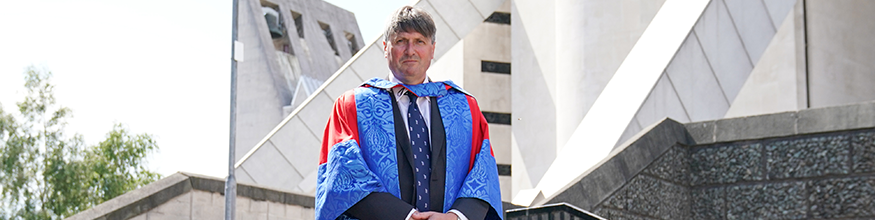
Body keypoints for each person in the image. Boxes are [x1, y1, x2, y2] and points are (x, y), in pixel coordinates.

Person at [315, 5, 502, 220]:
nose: (410, 50)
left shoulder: (465, 107)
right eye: (401, 41)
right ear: (385, 48)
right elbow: (344, 175)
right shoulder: (353, 106)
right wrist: (405, 216)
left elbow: (483, 174)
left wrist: (456, 216)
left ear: (432, 49)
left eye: (419, 41)